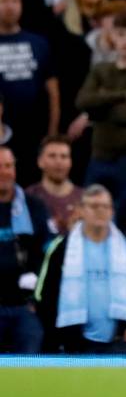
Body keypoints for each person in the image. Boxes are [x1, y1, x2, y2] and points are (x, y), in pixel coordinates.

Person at [36, 184, 126, 353]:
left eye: (105, 206)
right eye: (94, 206)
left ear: (112, 211)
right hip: (72, 340)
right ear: (80, 210)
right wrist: (59, 332)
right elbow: (44, 293)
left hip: (118, 340)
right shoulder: (62, 248)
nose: (100, 211)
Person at [76, 7, 126, 197]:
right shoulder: (101, 69)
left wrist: (98, 107)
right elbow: (82, 101)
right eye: (121, 34)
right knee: (90, 208)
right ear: (112, 37)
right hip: (100, 155)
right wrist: (121, 96)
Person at [0, 0, 60, 186]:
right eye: (4, 1)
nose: (10, 6)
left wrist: (52, 133)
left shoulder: (38, 43)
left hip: (34, 134)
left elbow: (53, 93)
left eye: (15, 1)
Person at [0, 146, 49, 353]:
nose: (5, 172)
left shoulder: (33, 206)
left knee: (29, 360)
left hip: (24, 306)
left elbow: (47, 253)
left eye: (9, 166)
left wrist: (35, 295)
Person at [26, 135, 82, 235]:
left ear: (70, 162)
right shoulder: (28, 197)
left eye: (64, 156)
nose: (58, 161)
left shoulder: (84, 198)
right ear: (40, 161)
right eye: (52, 156)